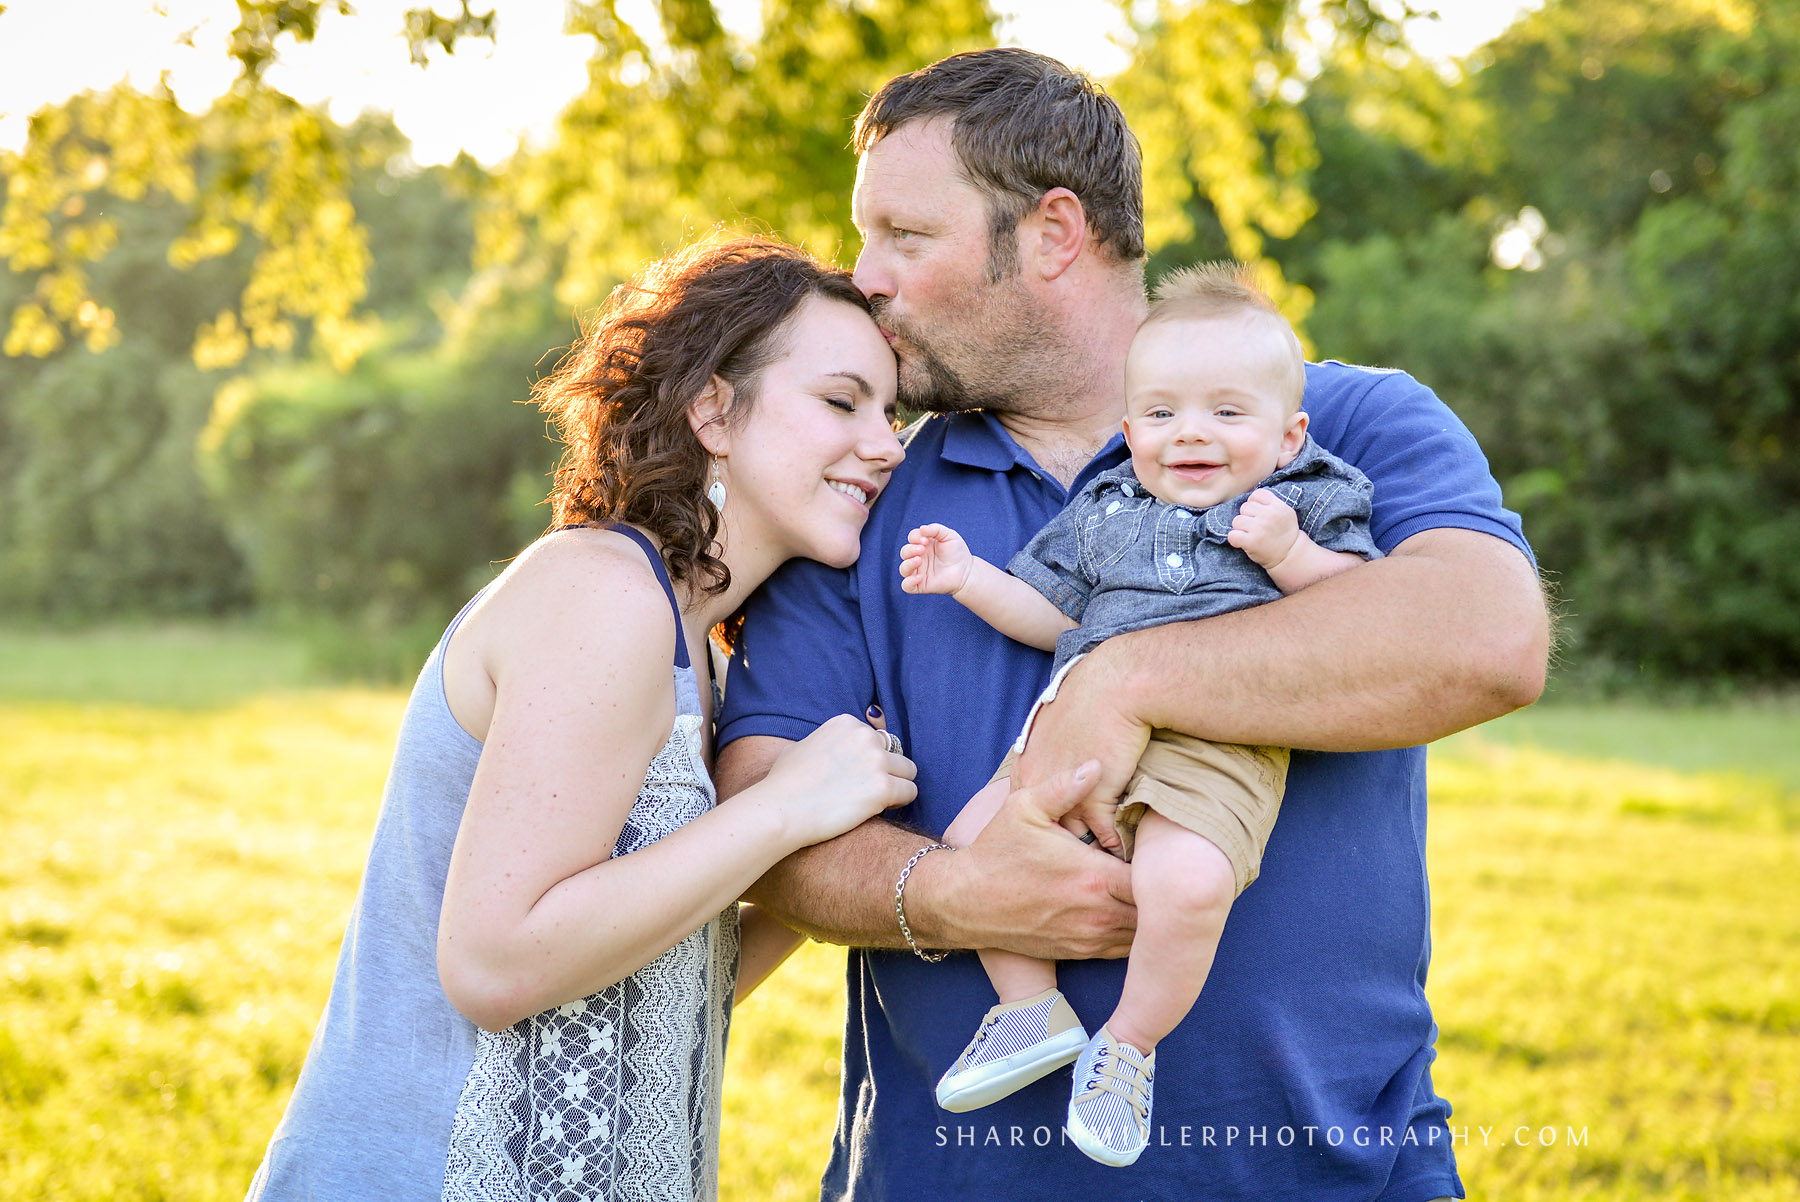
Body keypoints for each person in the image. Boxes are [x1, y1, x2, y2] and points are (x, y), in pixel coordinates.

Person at [714, 48, 1549, 1202]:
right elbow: (762, 794)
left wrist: (1128, 678)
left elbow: (1488, 639)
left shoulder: (1335, 419)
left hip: (1333, 1177)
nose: (868, 280)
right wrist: (951, 894)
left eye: (905, 237)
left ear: (1054, 232)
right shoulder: (861, 492)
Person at [245, 237, 918, 1202]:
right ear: (713, 409)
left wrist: (822, 853)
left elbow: (655, 988)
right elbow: (496, 962)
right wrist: (777, 814)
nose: (887, 443)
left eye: (891, 412)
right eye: (841, 401)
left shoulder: (700, 648)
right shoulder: (602, 595)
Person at [899, 262, 1379, 1166]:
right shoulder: (1106, 511)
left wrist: (1292, 555)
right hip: (1071, 721)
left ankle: (1126, 1047)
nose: (1190, 434)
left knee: (1186, 885)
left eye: (1226, 414)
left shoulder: (1304, 498)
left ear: (1288, 435)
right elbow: (1058, 619)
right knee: (974, 844)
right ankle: (1027, 1009)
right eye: (1161, 415)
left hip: (1216, 743)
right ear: (1129, 433)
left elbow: (1357, 609)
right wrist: (970, 578)